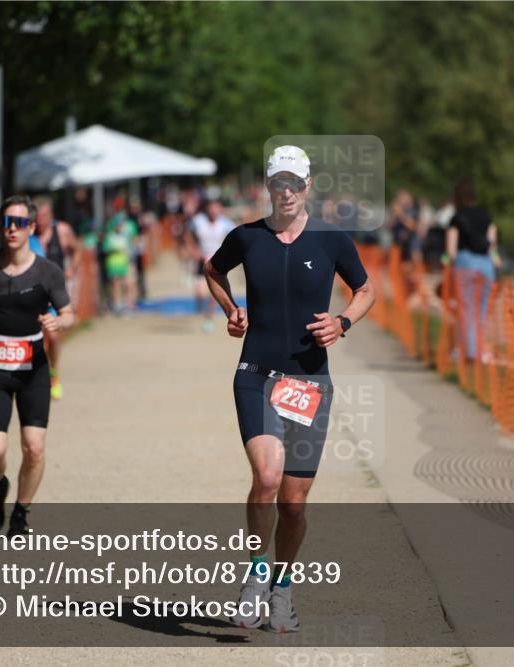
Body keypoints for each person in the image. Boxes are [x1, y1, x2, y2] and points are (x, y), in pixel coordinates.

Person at [204, 145, 375, 633]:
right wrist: (231, 309)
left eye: (293, 183)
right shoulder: (246, 238)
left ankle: (283, 588)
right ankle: (256, 579)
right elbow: (213, 270)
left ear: (307, 188)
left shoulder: (331, 240)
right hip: (256, 373)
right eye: (277, 183)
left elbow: (367, 290)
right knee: (267, 474)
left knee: (294, 504)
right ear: (269, 187)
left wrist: (342, 322)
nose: (285, 192)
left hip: (308, 382)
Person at [0, 195, 75, 537]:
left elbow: (68, 312)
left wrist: (59, 323)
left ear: (32, 227)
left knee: (34, 447)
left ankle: (21, 514)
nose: (13, 228)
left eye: (20, 223)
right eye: (7, 222)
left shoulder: (47, 271)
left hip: (33, 367)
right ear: (0, 226)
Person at [445, 178, 500, 363]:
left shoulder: (456, 219)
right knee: (481, 311)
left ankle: (469, 353)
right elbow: (492, 246)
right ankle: (481, 351)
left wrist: (450, 265)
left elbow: (451, 251)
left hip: (465, 264)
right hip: (486, 266)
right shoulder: (487, 217)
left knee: (466, 310)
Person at [33, 196, 80, 400]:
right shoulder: (28, 233)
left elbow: (76, 250)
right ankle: (33, 377)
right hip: (31, 293)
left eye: (44, 216)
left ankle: (53, 374)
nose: (40, 221)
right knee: (34, 337)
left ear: (50, 215)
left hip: (54, 294)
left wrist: (71, 268)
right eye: (37, 217)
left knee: (51, 336)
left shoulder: (62, 231)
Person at [188, 199, 236, 332]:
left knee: (214, 291)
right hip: (201, 259)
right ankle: (201, 308)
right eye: (211, 209)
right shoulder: (198, 221)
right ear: (207, 210)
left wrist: (228, 255)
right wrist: (194, 251)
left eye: (217, 209)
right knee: (200, 292)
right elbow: (188, 235)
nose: (214, 212)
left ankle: (208, 319)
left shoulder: (226, 223)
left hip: (216, 261)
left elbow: (235, 238)